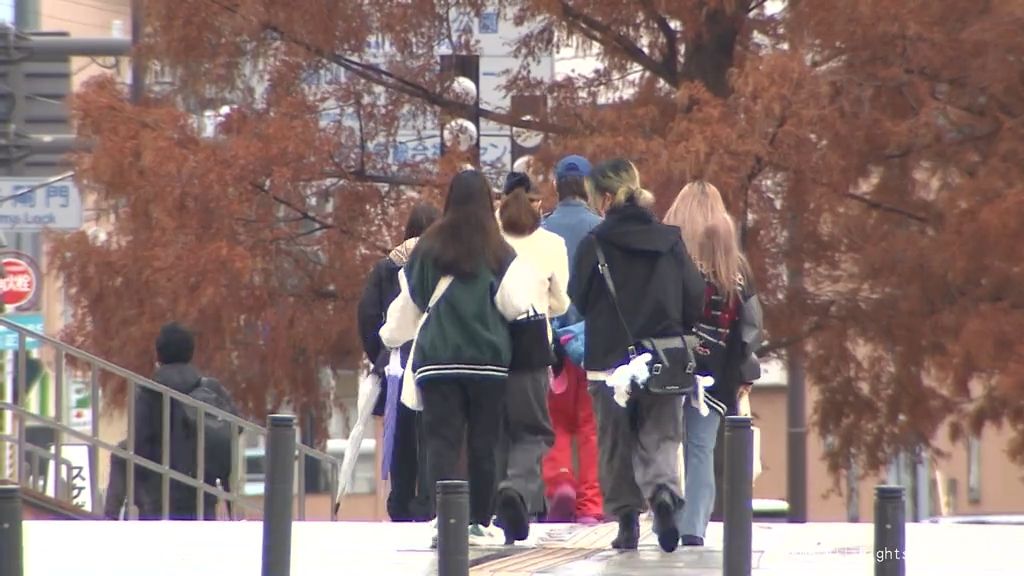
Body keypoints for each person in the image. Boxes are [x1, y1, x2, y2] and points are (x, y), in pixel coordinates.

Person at [380, 169, 533, 545]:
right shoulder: (499, 249)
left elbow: (411, 304)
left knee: (441, 442)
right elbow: (516, 305)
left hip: (437, 361)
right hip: (487, 362)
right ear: (487, 201)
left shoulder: (428, 247)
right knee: (484, 444)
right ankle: (479, 523)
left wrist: (388, 335)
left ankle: (443, 519)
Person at [569, 158, 705, 552]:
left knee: (615, 444)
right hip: (664, 356)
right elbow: (694, 295)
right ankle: (663, 494)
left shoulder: (593, 244)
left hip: (609, 361)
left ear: (606, 198)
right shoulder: (670, 239)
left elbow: (579, 297)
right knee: (661, 436)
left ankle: (627, 522)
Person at [663, 181, 764, 547]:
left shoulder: (671, 256)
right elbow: (751, 326)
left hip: (670, 363)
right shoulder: (733, 265)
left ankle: (667, 512)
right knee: (701, 449)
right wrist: (743, 367)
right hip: (717, 374)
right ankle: (694, 526)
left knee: (665, 442)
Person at [494, 171, 570, 543]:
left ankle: (498, 503)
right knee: (533, 430)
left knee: (497, 431)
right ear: (537, 202)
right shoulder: (552, 243)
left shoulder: (489, 238)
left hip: (489, 345)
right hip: (534, 344)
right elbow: (562, 301)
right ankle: (517, 488)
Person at [357, 202, 441, 522]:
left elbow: (367, 314)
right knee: (431, 433)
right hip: (433, 358)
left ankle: (401, 501)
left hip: (396, 361)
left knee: (400, 436)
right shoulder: (444, 263)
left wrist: (378, 354)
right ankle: (428, 501)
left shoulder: (387, 266)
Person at [539, 154, 605, 524]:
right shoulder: (600, 228)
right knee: (590, 426)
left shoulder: (542, 230)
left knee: (556, 421)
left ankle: (561, 483)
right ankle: (591, 505)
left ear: (556, 185)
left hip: (552, 344)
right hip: (593, 343)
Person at [134, 322, 235, 520]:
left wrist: (140, 491)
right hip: (202, 486)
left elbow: (141, 445)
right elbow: (234, 425)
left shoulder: (149, 392)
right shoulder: (209, 388)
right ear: (191, 352)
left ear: (159, 354)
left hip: (160, 492)